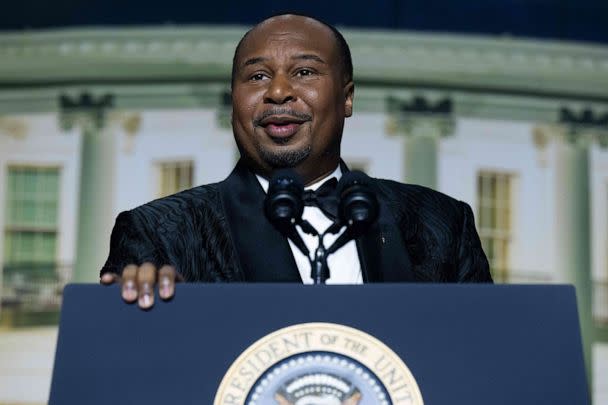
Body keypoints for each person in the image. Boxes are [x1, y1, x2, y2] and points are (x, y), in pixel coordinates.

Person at [100, 13, 492, 309]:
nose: (278, 92)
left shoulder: (441, 223)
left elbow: (483, 360)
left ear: (347, 97)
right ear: (232, 99)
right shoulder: (158, 233)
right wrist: (139, 307)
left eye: (304, 72)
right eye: (256, 77)